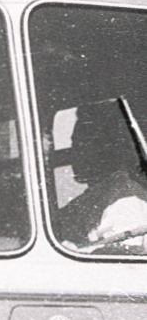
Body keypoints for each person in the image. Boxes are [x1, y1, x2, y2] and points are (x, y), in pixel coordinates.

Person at [53, 104, 147, 254]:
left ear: (106, 147)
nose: (73, 153)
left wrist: (77, 250)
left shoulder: (124, 198)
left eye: (80, 144)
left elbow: (126, 261)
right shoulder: (94, 195)